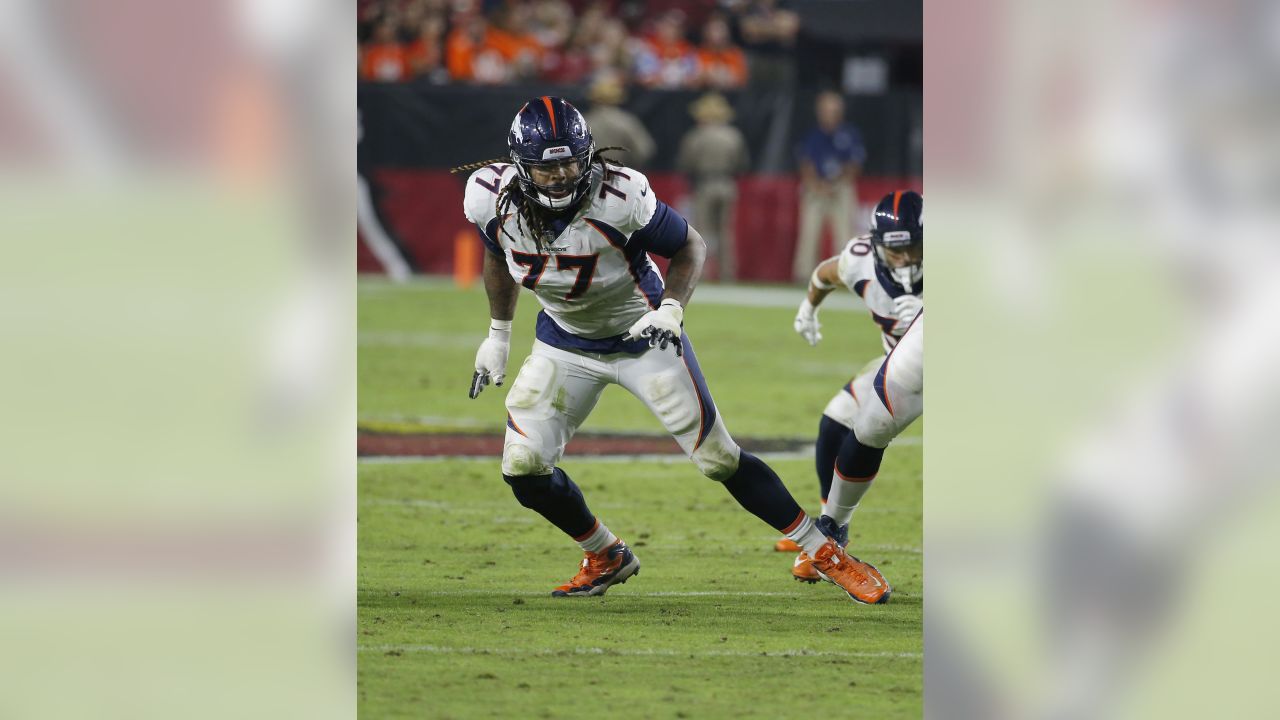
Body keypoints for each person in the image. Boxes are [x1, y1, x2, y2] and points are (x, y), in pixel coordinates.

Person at [455, 96, 889, 604]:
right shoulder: (490, 196)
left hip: (642, 337)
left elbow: (690, 245)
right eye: (547, 168)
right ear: (520, 165)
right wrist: (498, 335)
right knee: (523, 466)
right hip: (563, 342)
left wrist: (671, 309)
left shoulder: (617, 194)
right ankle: (605, 553)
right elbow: (495, 251)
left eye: (571, 161)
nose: (562, 175)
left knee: (718, 458)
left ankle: (826, 553)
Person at [784, 190, 922, 583]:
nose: (907, 260)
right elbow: (826, 273)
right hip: (898, 366)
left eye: (915, 248)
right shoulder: (860, 260)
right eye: (898, 251)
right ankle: (833, 531)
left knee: (870, 430)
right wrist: (809, 307)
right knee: (836, 421)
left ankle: (829, 531)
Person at [792, 91, 866, 283]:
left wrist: (836, 183)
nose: (829, 115)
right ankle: (803, 276)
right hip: (816, 189)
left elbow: (855, 164)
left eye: (833, 111)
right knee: (809, 233)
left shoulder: (849, 134)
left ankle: (846, 275)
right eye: (826, 111)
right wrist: (816, 185)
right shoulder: (813, 135)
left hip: (840, 188)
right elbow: (805, 163)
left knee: (844, 233)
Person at [676, 93, 749, 281]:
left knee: (703, 232)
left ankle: (703, 273)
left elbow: (685, 164)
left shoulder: (696, 136)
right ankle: (727, 274)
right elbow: (742, 163)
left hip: (704, 185)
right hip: (727, 184)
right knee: (725, 232)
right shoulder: (734, 135)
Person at [582, 76, 655, 169]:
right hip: (618, 175)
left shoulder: (582, 122)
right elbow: (644, 152)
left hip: (588, 176)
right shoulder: (626, 121)